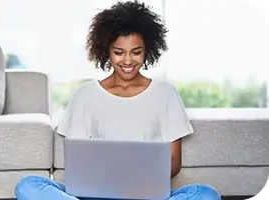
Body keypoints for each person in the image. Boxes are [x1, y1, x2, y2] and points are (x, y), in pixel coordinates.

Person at [14, 1, 221, 200]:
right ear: (107, 51)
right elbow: (78, 165)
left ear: (147, 50)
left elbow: (174, 163)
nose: (128, 61)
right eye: (119, 52)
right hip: (96, 194)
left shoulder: (166, 93)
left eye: (136, 52)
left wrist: (136, 180)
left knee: (206, 194)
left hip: (145, 194)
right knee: (28, 185)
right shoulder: (85, 95)